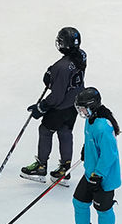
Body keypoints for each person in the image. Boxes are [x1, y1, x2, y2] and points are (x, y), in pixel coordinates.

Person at [21, 27, 87, 184]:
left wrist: (41, 107)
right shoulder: (82, 55)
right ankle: (65, 168)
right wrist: (53, 76)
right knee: (65, 132)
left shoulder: (61, 67)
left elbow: (57, 96)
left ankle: (41, 166)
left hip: (61, 107)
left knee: (45, 130)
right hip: (74, 105)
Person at [65, 88, 121, 224]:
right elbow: (91, 141)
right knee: (79, 202)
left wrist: (98, 175)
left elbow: (109, 155)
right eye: (79, 109)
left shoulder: (103, 126)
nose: (81, 112)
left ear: (93, 106)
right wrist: (85, 149)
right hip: (90, 172)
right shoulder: (90, 121)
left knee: (103, 208)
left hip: (104, 177)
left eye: (83, 108)